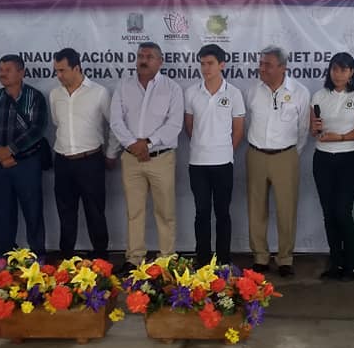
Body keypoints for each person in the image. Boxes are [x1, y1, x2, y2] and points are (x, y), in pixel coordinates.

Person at [110, 42, 184, 272]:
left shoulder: (172, 89)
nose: (143, 60)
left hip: (161, 158)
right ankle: (134, 258)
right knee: (134, 211)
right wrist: (133, 144)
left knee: (165, 211)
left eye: (149, 56)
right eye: (140, 55)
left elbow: (174, 124)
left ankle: (166, 259)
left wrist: (148, 143)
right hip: (131, 158)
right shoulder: (124, 85)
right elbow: (115, 121)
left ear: (160, 62)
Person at [245, 46, 311, 278]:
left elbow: (304, 129)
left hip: (286, 156)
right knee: (256, 208)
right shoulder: (253, 90)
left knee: (286, 209)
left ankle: (285, 258)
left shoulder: (300, 92)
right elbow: (246, 122)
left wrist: (291, 153)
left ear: (283, 67)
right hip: (256, 155)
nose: (261, 68)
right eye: (261, 63)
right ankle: (260, 257)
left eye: (268, 65)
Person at [50, 48, 120, 259]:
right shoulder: (55, 94)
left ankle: (101, 261)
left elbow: (114, 126)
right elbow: (56, 123)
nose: (59, 75)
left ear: (77, 68)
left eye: (62, 70)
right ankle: (66, 262)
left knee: (95, 213)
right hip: (63, 161)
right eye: (56, 71)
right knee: (66, 214)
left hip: (90, 161)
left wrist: (110, 153)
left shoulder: (99, 92)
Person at [0, 54, 49, 258]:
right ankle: (5, 257)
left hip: (27, 163)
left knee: (33, 211)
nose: (2, 74)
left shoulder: (35, 97)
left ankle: (38, 256)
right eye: (1, 70)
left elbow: (37, 129)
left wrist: (9, 150)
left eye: (7, 70)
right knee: (2, 212)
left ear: (21, 72)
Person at [309, 51, 354, 280]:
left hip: (349, 158)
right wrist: (315, 129)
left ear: (352, 72)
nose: (338, 74)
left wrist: (341, 138)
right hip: (323, 159)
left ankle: (351, 263)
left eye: (344, 69)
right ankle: (335, 262)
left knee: (342, 211)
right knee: (328, 213)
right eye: (335, 69)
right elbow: (312, 130)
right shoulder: (319, 95)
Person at [184, 44, 246, 267]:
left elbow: (238, 129)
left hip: (223, 163)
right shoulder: (191, 92)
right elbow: (189, 127)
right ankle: (202, 260)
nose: (205, 68)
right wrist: (204, 145)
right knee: (201, 212)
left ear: (222, 65)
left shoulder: (234, 93)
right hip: (198, 163)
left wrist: (225, 150)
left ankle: (223, 260)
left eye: (210, 63)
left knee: (223, 212)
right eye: (202, 63)